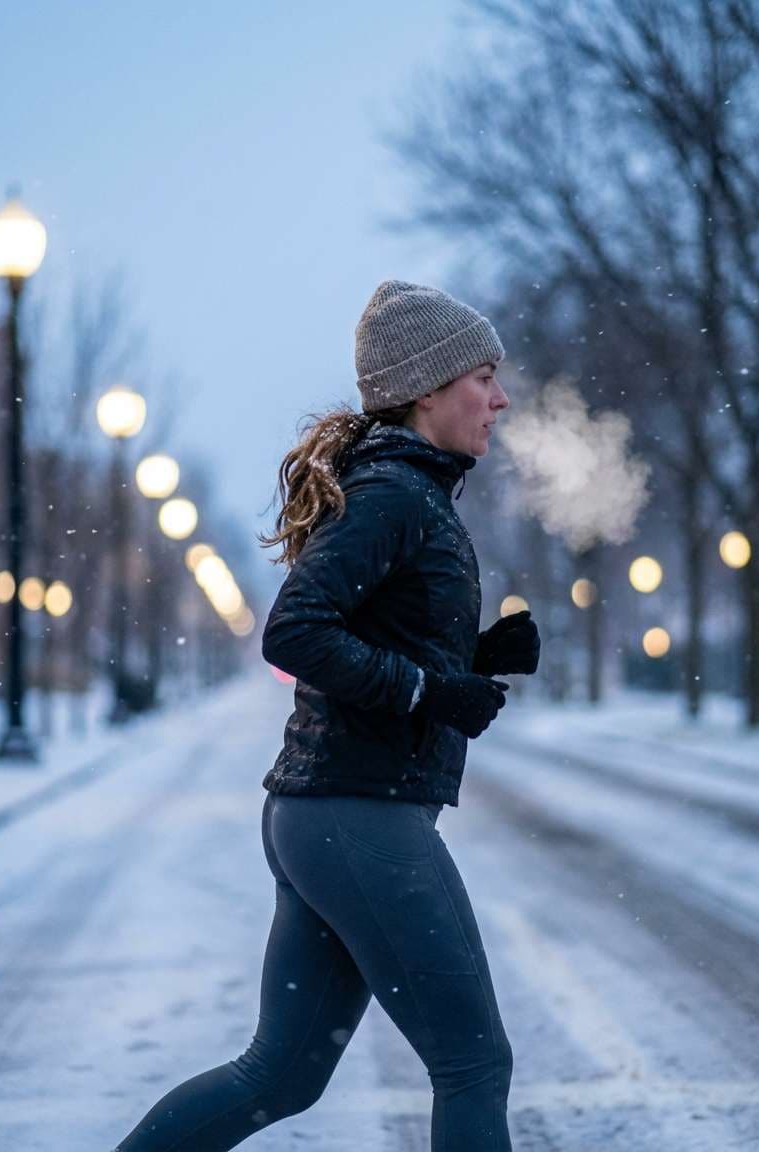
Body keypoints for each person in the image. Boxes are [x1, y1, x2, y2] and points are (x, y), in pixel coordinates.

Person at [111, 280, 541, 1151]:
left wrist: (467, 660)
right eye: (483, 378)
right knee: (473, 1063)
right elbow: (296, 631)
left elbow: (366, 635)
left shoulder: (410, 491)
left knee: (281, 1074)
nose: (499, 399)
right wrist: (428, 690)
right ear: (428, 388)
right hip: (357, 812)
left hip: (326, 812)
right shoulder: (395, 495)